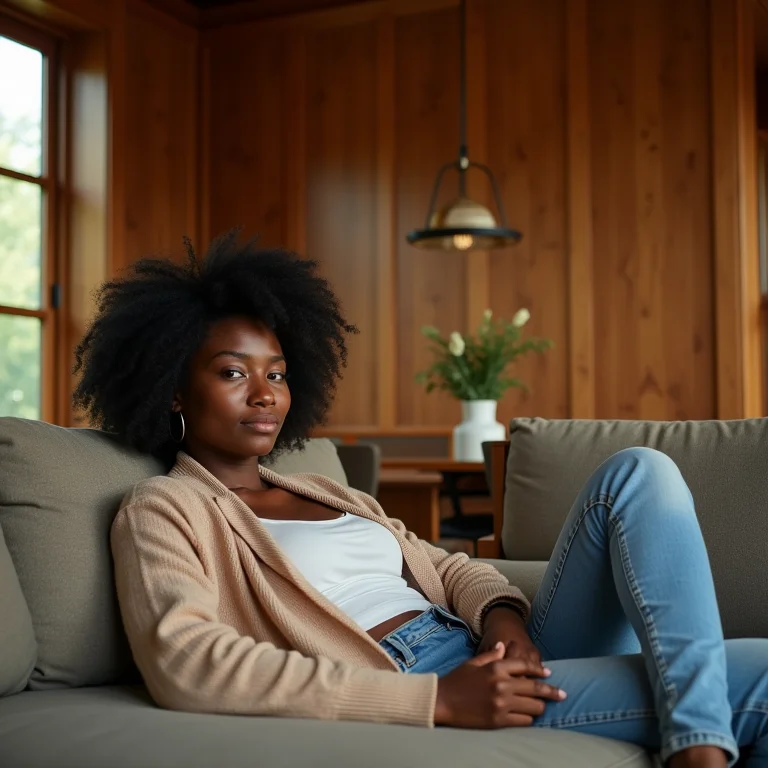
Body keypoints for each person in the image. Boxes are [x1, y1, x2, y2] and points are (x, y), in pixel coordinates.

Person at [73, 231, 768, 768]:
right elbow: (188, 662)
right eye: (233, 373)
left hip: (488, 649)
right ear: (171, 388)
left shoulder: (323, 489)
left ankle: (694, 741)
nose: (265, 394)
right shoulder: (164, 507)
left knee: (638, 471)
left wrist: (503, 621)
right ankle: (699, 749)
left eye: (278, 375)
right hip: (421, 676)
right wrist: (435, 700)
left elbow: (451, 565)